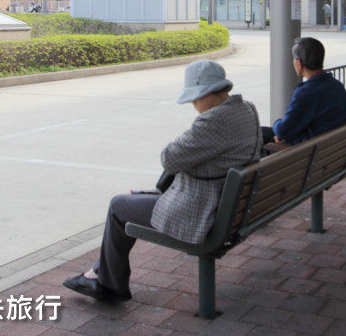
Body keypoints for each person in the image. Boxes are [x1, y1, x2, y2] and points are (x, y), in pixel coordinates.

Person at [63, 60, 261, 303]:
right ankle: (99, 273)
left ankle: (109, 283)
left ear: (206, 93)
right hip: (231, 206)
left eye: (194, 98)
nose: (194, 105)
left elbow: (169, 158)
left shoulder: (212, 122)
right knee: (135, 201)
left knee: (119, 206)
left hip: (203, 212)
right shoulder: (246, 109)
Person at [261, 37, 346, 148]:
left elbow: (283, 131)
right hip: (334, 149)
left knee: (259, 134)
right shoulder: (337, 86)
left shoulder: (306, 93)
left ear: (299, 63)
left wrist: (277, 123)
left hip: (311, 155)